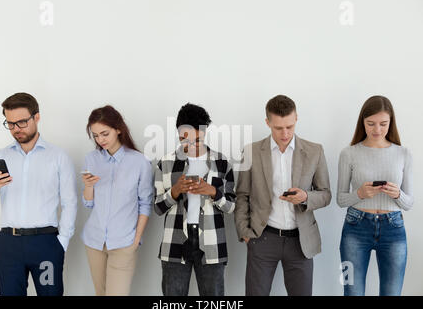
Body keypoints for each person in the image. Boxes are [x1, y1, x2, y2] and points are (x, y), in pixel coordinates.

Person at [0, 92, 77, 296]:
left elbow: (70, 202)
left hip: (46, 244)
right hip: (9, 245)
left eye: (21, 122)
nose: (16, 129)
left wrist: (61, 242)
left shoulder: (57, 157)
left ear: (36, 117)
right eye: (10, 124)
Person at [235, 95, 331, 296]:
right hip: (262, 239)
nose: (285, 133)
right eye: (278, 128)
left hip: (301, 241)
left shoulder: (315, 151)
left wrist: (305, 197)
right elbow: (242, 194)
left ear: (296, 118)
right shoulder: (251, 151)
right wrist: (245, 232)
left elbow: (325, 194)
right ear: (267, 122)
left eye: (289, 126)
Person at [154, 103, 236, 296]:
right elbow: (157, 208)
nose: (192, 145)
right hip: (174, 243)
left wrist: (213, 192)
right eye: (186, 140)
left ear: (205, 132)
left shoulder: (222, 163)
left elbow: (232, 206)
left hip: (212, 244)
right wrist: (174, 192)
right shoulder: (165, 163)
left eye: (198, 139)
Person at [337, 95, 413, 296]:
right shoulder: (348, 153)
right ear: (362, 122)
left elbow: (409, 202)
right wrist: (360, 194)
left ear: (391, 123)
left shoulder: (404, 154)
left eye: (383, 124)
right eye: (371, 123)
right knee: (351, 291)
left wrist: (397, 194)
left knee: (392, 293)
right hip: (355, 228)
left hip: (394, 228)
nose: (377, 130)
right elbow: (340, 199)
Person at [81, 105, 153, 296]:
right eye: (95, 135)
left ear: (118, 129)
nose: (100, 140)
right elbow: (88, 203)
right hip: (94, 241)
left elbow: (145, 203)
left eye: (104, 133)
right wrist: (88, 186)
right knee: (100, 293)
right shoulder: (91, 159)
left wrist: (136, 239)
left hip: (124, 242)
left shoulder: (139, 162)